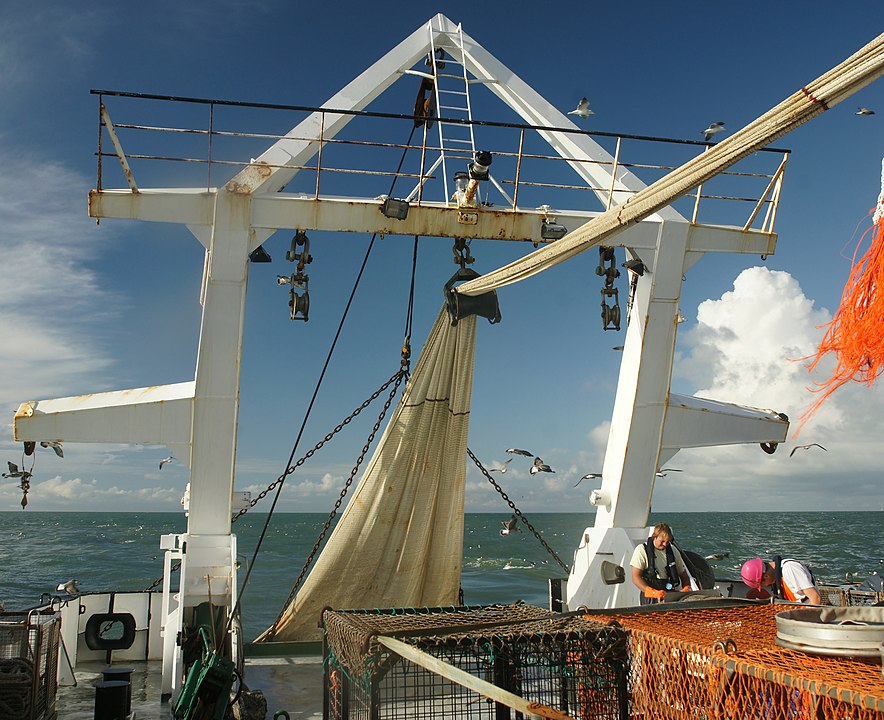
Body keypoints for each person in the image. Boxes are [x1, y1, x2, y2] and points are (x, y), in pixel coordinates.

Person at [630, 523, 693, 601]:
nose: (665, 544)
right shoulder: (641, 550)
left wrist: (687, 588)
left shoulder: (673, 551)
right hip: (650, 596)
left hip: (669, 593)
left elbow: (684, 575)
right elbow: (635, 577)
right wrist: (653, 593)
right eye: (662, 541)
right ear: (654, 537)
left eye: (667, 542)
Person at [740, 557, 822, 604]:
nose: (765, 586)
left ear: (766, 576)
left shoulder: (790, 568)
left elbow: (815, 598)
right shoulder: (778, 577)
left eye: (762, 584)